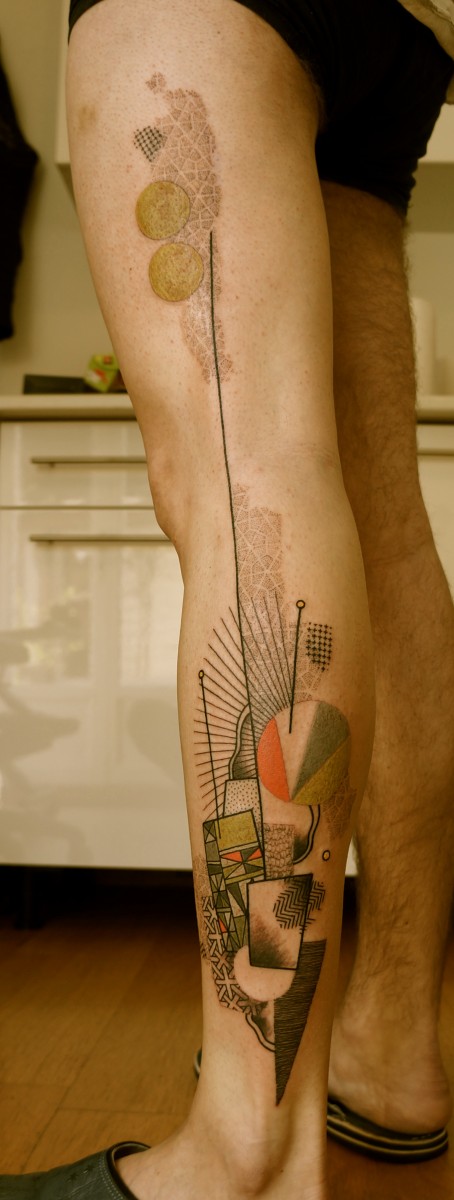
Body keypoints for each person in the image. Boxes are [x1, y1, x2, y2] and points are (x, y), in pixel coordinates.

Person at [1, 0, 453, 1196]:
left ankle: (250, 1149)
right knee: (374, 519)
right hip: (403, 30)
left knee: (241, 480)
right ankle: (393, 1050)